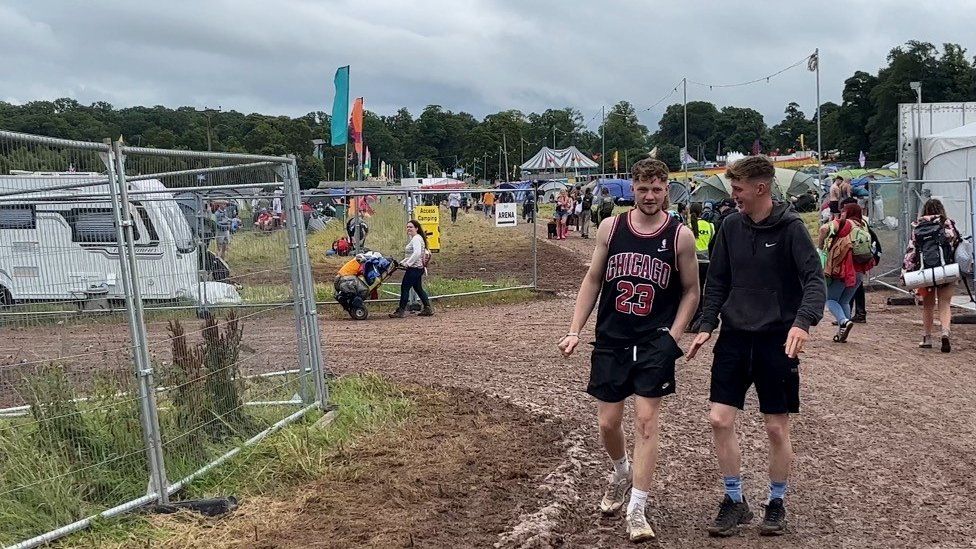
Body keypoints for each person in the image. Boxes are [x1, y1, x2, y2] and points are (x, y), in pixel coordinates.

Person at [558, 158, 700, 542]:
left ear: (666, 189)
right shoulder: (611, 227)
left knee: (647, 423)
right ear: (632, 190)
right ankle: (621, 470)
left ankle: (637, 507)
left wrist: (674, 335)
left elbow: (691, 291)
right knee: (608, 423)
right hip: (611, 338)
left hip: (654, 341)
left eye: (657, 189)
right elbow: (592, 279)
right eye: (643, 189)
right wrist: (575, 330)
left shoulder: (679, 236)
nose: (650, 196)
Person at [687, 156, 825, 538]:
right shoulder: (729, 226)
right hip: (734, 337)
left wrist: (802, 322)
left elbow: (815, 281)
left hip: (775, 341)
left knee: (776, 429)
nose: (734, 197)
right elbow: (717, 281)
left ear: (760, 188)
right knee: (719, 419)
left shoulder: (792, 229)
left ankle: (776, 503)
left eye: (738, 189)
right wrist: (706, 324)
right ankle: (735, 500)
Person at [903, 198, 961, 352]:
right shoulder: (947, 224)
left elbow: (911, 251)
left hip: (925, 272)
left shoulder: (918, 227)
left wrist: (906, 272)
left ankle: (927, 337)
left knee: (928, 306)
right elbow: (955, 243)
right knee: (945, 303)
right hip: (946, 269)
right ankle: (945, 332)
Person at [818, 202, 874, 342]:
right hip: (859, 271)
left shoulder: (845, 224)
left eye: (843, 211)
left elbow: (823, 229)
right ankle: (842, 331)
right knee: (845, 301)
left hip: (843, 269)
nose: (841, 213)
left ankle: (843, 321)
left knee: (830, 299)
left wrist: (820, 248)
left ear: (847, 212)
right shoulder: (863, 225)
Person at [390, 220, 433, 318]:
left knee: (405, 288)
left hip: (414, 268)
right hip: (418, 268)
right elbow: (411, 254)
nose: (409, 229)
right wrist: (403, 262)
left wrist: (408, 264)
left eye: (411, 227)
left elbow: (417, 253)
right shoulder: (416, 238)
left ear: (416, 228)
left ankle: (401, 310)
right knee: (418, 288)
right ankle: (427, 308)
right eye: (407, 227)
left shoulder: (416, 239)